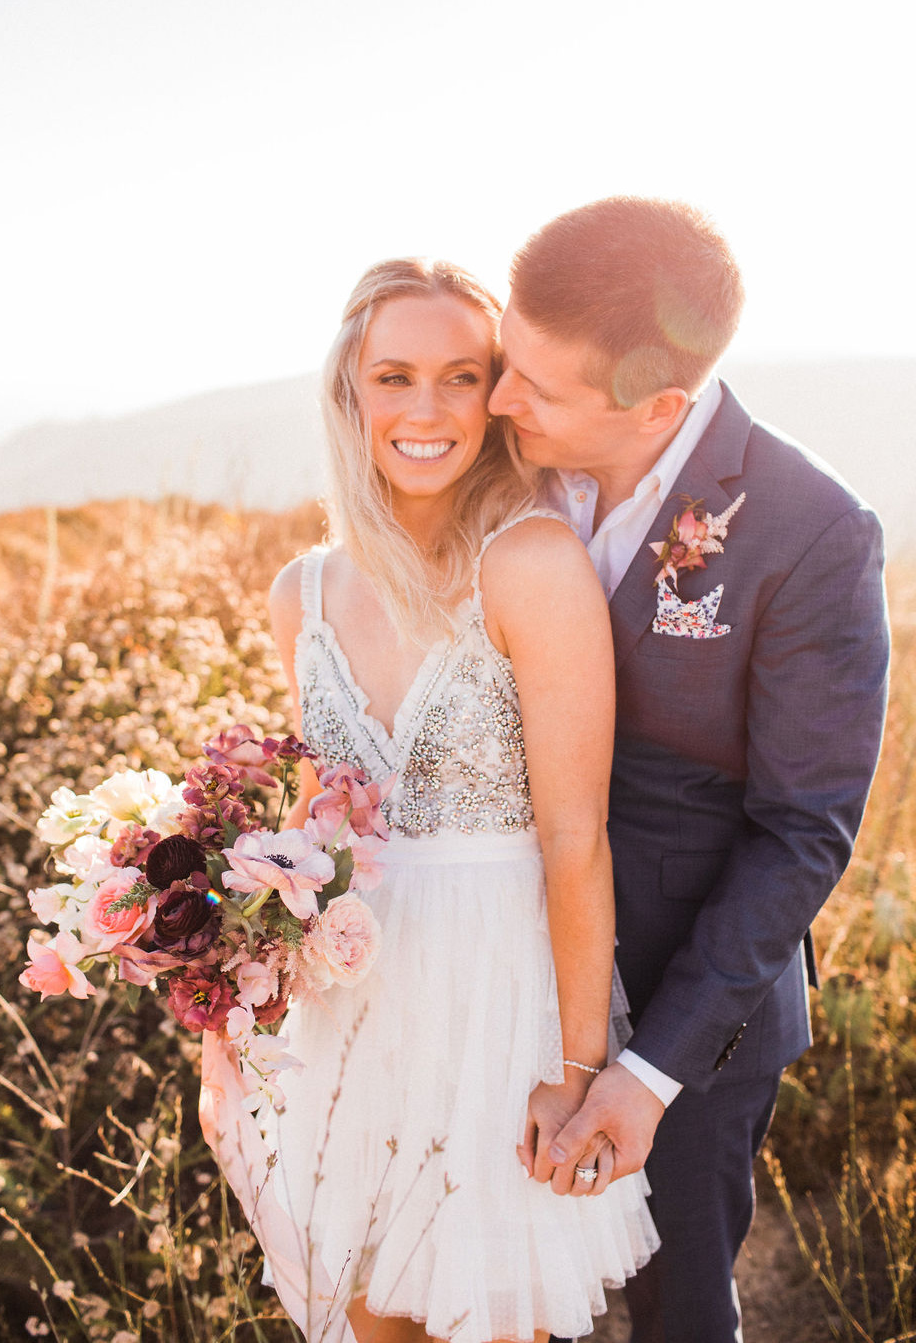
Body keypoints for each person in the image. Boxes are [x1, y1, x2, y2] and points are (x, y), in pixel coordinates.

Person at [486, 196, 890, 1342]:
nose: (498, 398)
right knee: (501, 1289)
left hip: (687, 1006)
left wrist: (648, 1071)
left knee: (676, 1308)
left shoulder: (811, 531)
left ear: (657, 405)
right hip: (492, 971)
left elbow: (801, 828)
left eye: (537, 386)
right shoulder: (501, 469)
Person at [265, 258, 659, 1343]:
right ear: (351, 389)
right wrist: (228, 952)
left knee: (488, 1320)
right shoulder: (300, 591)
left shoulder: (529, 562)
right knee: (368, 1312)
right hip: (349, 998)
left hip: (496, 998)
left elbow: (575, 837)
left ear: (496, 393)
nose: (427, 410)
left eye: (460, 375)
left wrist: (575, 1068)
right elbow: (313, 822)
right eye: (394, 376)